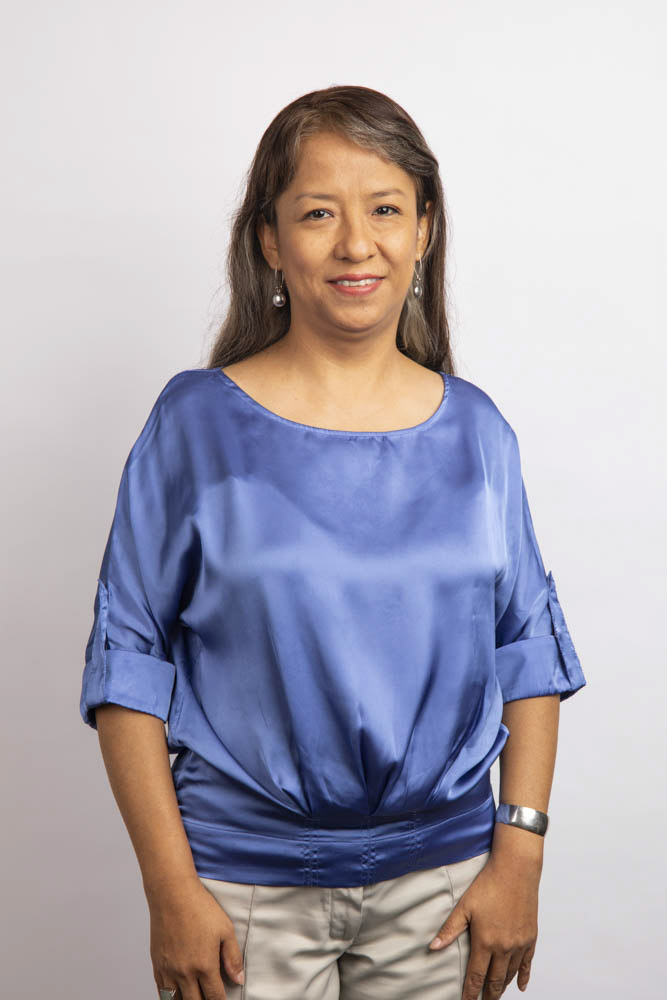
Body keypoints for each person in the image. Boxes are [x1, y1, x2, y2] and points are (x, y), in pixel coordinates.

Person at [79, 85, 586, 1000]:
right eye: (318, 213)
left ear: (424, 230)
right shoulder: (195, 425)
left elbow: (528, 651)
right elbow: (127, 661)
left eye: (385, 209)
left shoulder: (476, 432)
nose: (356, 244)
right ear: (270, 241)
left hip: (444, 888)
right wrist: (168, 888)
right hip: (241, 895)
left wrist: (520, 856)